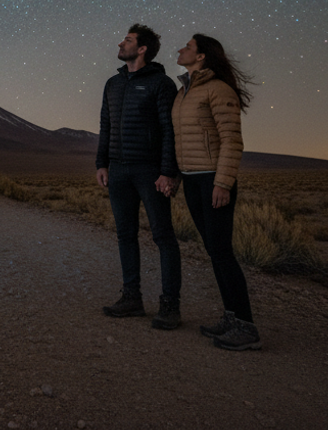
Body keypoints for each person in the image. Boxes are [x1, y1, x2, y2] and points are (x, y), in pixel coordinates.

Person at [173, 33, 260, 350]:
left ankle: (247, 328)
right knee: (213, 250)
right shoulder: (184, 93)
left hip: (212, 180)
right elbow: (179, 140)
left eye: (188, 47)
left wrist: (223, 182)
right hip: (192, 179)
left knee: (222, 252)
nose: (181, 50)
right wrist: (175, 177)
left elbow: (232, 140)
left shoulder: (218, 90)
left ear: (201, 56)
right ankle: (232, 316)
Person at [96, 23, 182, 330]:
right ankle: (131, 298)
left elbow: (170, 131)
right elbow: (105, 126)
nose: (121, 44)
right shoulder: (112, 84)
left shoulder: (161, 84)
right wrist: (101, 163)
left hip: (149, 171)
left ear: (142, 48)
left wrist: (167, 171)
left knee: (163, 236)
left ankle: (170, 306)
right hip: (118, 170)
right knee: (125, 235)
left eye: (128, 40)